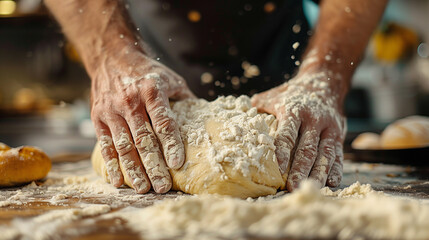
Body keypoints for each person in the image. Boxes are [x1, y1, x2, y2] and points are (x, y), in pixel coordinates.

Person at [44, 0, 388, 193]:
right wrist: (111, 55)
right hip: (149, 79)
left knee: (294, 145)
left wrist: (324, 76)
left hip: (288, 84)